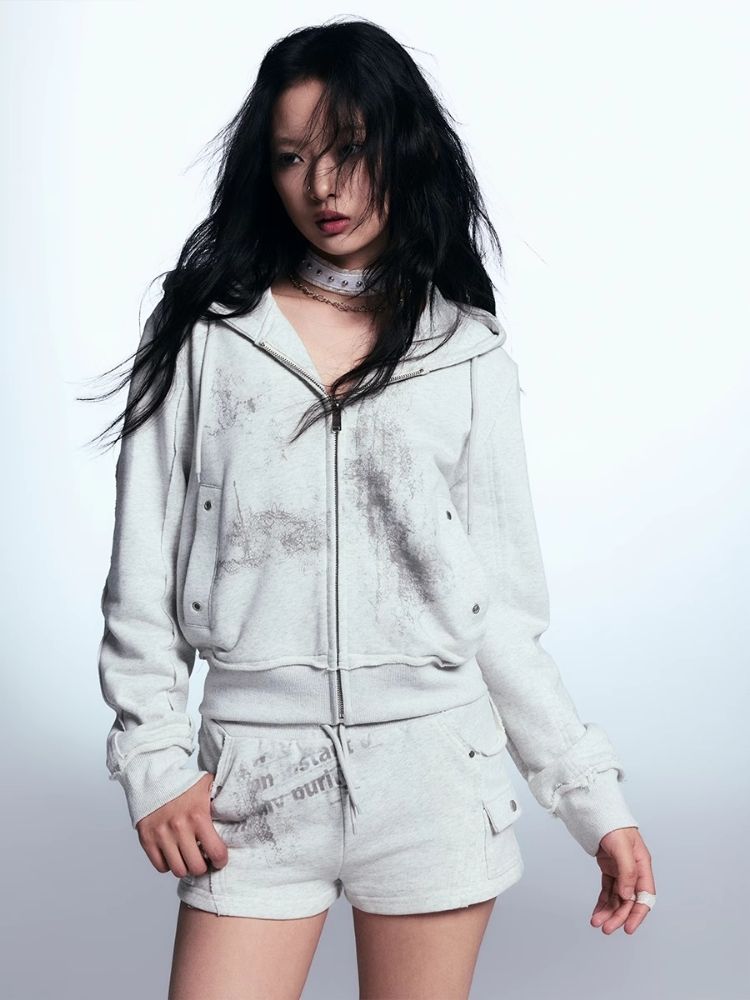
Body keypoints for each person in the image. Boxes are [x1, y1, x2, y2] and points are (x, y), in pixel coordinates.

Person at [91, 17, 655, 1000]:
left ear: (406, 149)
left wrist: (592, 798)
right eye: (291, 157)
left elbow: (499, 614)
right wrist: (153, 758)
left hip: (434, 776)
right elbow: (141, 578)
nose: (324, 185)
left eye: (349, 149)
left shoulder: (467, 355)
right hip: (254, 782)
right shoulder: (205, 340)